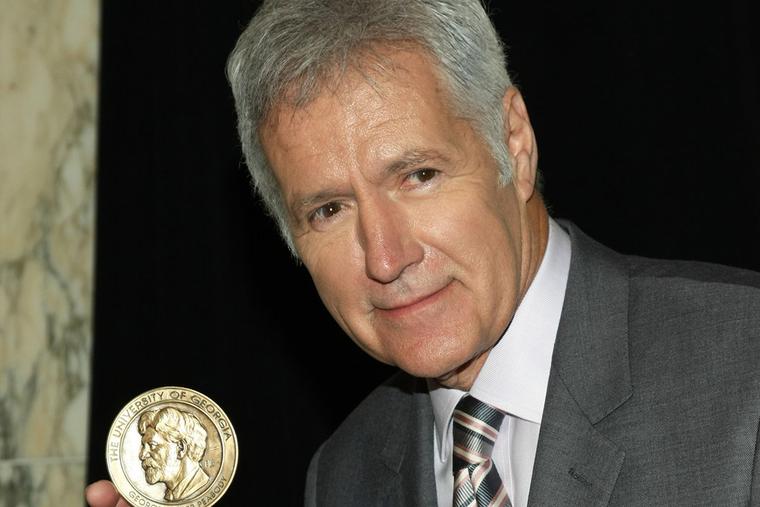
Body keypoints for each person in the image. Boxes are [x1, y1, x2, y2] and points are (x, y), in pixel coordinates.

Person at [87, 0, 760, 505]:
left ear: (515, 144)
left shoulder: (743, 364)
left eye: (418, 176)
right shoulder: (344, 475)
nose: (385, 256)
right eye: (328, 209)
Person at [137, 407, 210, 501]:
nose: (142, 455)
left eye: (152, 445)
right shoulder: (171, 495)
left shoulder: (199, 487)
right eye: (143, 446)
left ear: (181, 448)